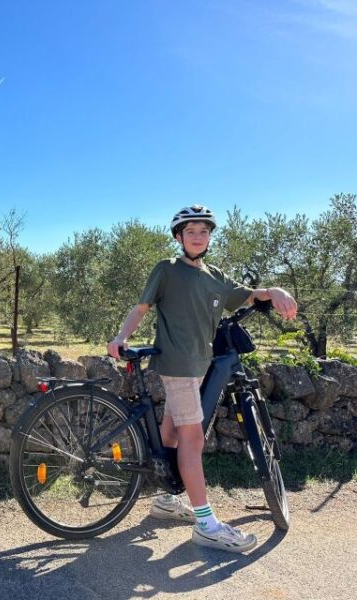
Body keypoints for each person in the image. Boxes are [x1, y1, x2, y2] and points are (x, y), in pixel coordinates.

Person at [106, 205, 297, 553]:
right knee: (192, 440)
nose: (197, 236)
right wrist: (120, 337)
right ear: (178, 237)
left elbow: (249, 295)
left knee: (173, 430)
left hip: (199, 364)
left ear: (209, 237)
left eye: (203, 231)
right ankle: (207, 525)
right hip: (178, 365)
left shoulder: (215, 275)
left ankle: (165, 499)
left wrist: (277, 290)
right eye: (190, 231)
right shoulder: (167, 269)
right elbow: (142, 307)